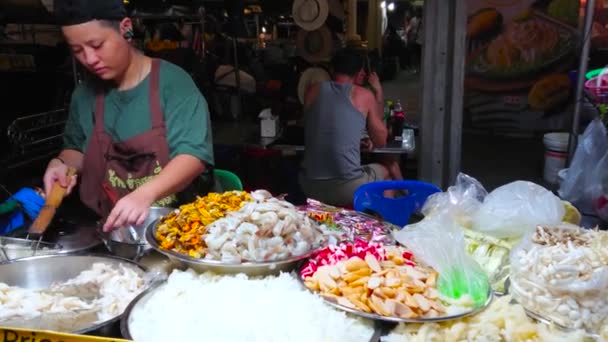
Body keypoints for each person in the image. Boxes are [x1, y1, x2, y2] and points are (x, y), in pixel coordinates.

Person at [44, 0, 214, 232]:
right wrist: (61, 165)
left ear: (125, 28)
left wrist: (144, 194)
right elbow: (76, 149)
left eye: (97, 45)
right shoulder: (83, 94)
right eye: (78, 51)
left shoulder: (173, 83)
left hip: (177, 227)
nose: (90, 59)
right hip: (110, 230)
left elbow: (193, 155)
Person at [299, 49, 390, 207]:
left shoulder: (312, 90)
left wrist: (356, 141)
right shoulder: (364, 95)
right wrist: (379, 93)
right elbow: (381, 140)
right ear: (360, 72)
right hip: (347, 188)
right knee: (387, 173)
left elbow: (326, 127)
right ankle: (382, 226)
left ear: (332, 69)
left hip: (309, 185)